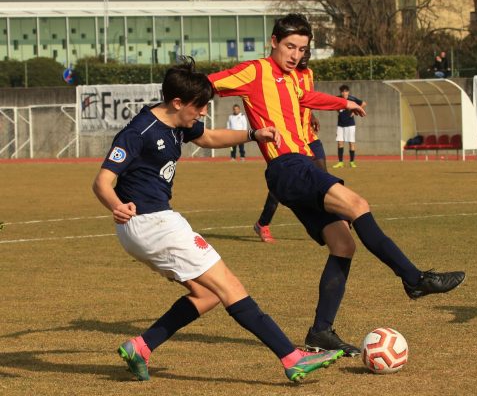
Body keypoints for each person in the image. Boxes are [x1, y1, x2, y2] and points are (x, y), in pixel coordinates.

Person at [208, 13, 465, 357]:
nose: (295, 54)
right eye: (289, 46)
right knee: (357, 205)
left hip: (296, 167)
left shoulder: (297, 78)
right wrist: (182, 112)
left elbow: (307, 98)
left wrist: (344, 102)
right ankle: (414, 279)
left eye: (302, 48)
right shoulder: (255, 71)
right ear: (273, 42)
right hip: (288, 165)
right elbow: (208, 83)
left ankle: (320, 332)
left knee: (343, 245)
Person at [92, 58, 342, 382]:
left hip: (144, 229)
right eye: (199, 107)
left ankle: (141, 346)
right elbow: (101, 181)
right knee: (230, 286)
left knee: (206, 294)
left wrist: (253, 134)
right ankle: (292, 357)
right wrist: (115, 204)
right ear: (177, 102)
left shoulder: (179, 121)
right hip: (154, 223)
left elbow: (208, 138)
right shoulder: (139, 131)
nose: (203, 113)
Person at [253, 49, 326, 243]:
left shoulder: (309, 73)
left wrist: (312, 116)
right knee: (284, 184)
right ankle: (263, 223)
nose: (304, 59)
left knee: (323, 179)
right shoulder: (286, 74)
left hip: (309, 136)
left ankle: (325, 224)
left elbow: (305, 99)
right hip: (291, 138)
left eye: (307, 55)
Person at [332, 85, 366, 168]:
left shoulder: (352, 99)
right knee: (340, 143)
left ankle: (352, 162)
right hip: (340, 124)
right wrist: (337, 109)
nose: (344, 93)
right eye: (343, 91)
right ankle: (340, 162)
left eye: (346, 91)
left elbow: (364, 103)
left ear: (348, 92)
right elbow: (331, 103)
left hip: (350, 125)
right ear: (341, 92)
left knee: (351, 143)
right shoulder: (337, 98)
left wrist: (355, 110)